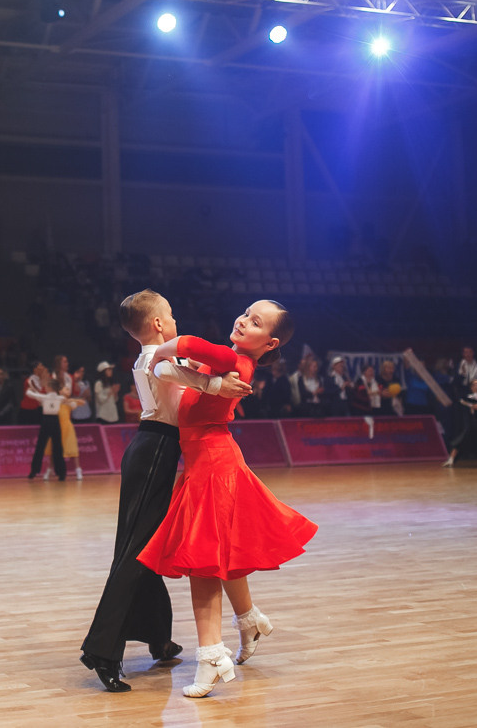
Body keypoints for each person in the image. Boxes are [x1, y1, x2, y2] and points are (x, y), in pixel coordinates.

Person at [139, 300, 317, 698]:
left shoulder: (236, 362)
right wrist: (169, 362)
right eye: (244, 313)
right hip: (209, 462)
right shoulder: (228, 364)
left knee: (203, 564)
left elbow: (199, 349)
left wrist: (166, 348)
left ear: (269, 343)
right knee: (222, 554)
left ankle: (210, 656)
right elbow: (186, 369)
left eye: (255, 322)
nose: (242, 320)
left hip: (213, 467)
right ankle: (247, 618)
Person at [79, 290, 251, 694]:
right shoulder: (154, 359)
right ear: (158, 324)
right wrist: (215, 384)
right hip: (155, 451)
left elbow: (181, 374)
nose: (174, 320)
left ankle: (158, 636)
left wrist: (207, 377)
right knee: (135, 551)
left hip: (155, 450)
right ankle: (102, 651)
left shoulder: (161, 356)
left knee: (146, 548)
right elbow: (178, 378)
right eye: (170, 315)